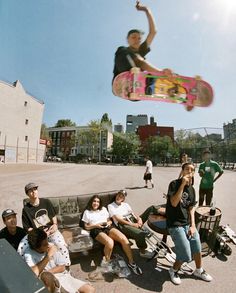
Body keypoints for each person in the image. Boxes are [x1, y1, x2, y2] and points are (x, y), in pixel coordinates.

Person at [166, 162, 212, 285]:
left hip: (187, 223)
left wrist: (192, 225)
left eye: (192, 170)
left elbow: (191, 208)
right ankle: (173, 270)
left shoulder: (192, 189)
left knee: (197, 246)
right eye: (187, 169)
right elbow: (174, 203)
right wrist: (182, 184)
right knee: (185, 253)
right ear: (182, 171)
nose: (189, 172)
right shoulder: (174, 184)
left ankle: (199, 270)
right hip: (175, 224)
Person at [82, 195, 142, 275]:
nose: (96, 203)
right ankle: (107, 263)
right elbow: (86, 226)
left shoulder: (103, 209)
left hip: (107, 227)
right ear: (91, 202)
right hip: (96, 229)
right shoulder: (87, 212)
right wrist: (97, 225)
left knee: (123, 239)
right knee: (110, 242)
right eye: (94, 201)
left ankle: (131, 263)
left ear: (100, 203)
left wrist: (108, 223)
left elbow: (109, 220)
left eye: (98, 201)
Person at [113, 1, 172, 82]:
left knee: (143, 66)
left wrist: (146, 10)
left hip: (136, 83)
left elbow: (153, 32)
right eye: (133, 37)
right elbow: (140, 62)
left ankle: (151, 84)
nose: (137, 40)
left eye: (139, 38)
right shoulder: (123, 50)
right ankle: (159, 75)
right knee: (130, 54)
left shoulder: (141, 50)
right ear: (127, 40)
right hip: (120, 78)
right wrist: (161, 73)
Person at [23, 228, 95, 293]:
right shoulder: (29, 253)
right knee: (46, 276)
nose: (48, 245)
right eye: (44, 244)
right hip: (46, 282)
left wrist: (47, 272)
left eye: (47, 241)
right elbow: (33, 273)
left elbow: (62, 267)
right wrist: (48, 256)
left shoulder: (51, 246)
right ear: (36, 248)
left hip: (62, 277)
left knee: (90, 290)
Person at [22, 182, 70, 266]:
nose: (34, 192)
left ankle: (66, 266)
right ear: (27, 194)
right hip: (38, 235)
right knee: (22, 246)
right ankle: (27, 269)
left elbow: (53, 217)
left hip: (51, 231)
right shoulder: (26, 209)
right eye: (30, 191)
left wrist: (55, 225)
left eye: (35, 189)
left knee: (61, 245)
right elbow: (27, 228)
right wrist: (39, 234)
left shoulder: (46, 202)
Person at [108, 190, 155, 259]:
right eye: (118, 195)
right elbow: (117, 219)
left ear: (123, 199)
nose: (119, 197)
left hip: (132, 219)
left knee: (151, 208)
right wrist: (132, 225)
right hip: (123, 224)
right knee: (140, 234)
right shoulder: (111, 206)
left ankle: (145, 234)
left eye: (121, 196)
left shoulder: (125, 204)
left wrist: (139, 219)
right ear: (116, 195)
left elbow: (132, 213)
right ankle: (142, 251)